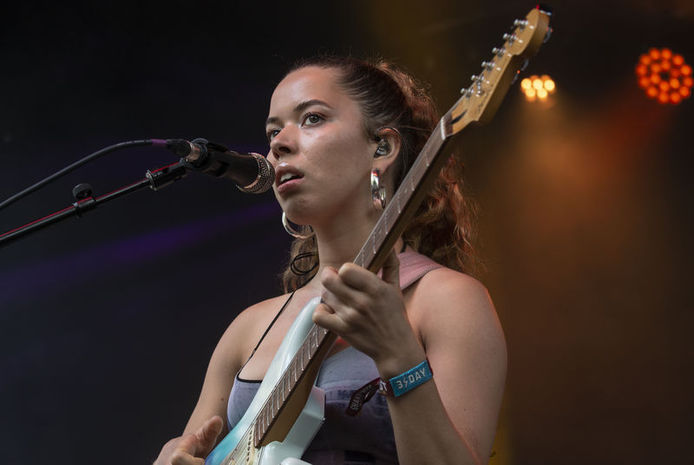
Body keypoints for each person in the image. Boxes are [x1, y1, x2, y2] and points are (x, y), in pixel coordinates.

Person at [154, 56, 507, 465]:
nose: (278, 144)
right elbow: (190, 450)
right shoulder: (248, 329)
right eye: (273, 131)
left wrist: (398, 357)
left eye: (312, 118)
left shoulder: (449, 301)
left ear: (382, 147)